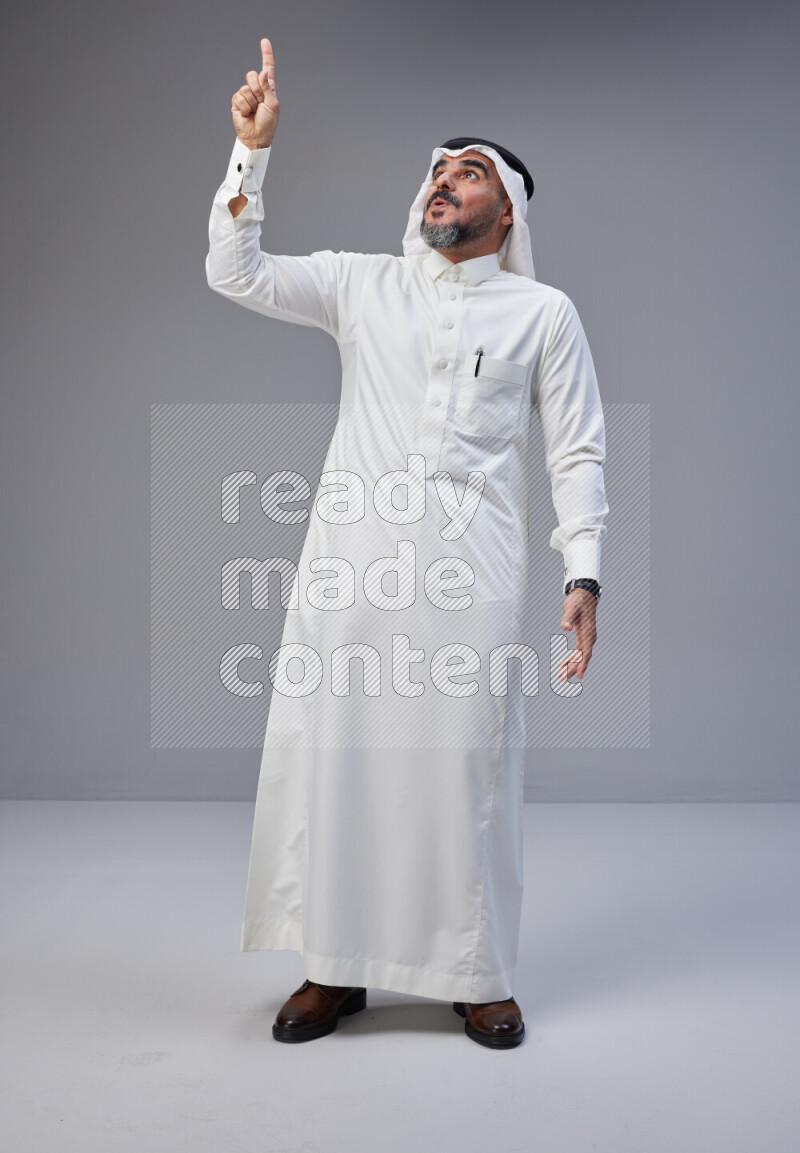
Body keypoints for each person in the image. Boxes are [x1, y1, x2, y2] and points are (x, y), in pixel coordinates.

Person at [206, 38, 608, 1050]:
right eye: (436, 170)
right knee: (340, 759)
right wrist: (251, 152)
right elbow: (233, 270)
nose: (442, 182)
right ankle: (332, 968)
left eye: (468, 174)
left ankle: (477, 973)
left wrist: (584, 570)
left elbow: (576, 448)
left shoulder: (542, 313)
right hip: (351, 565)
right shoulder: (363, 285)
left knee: (463, 765)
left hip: (474, 569)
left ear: (507, 213)